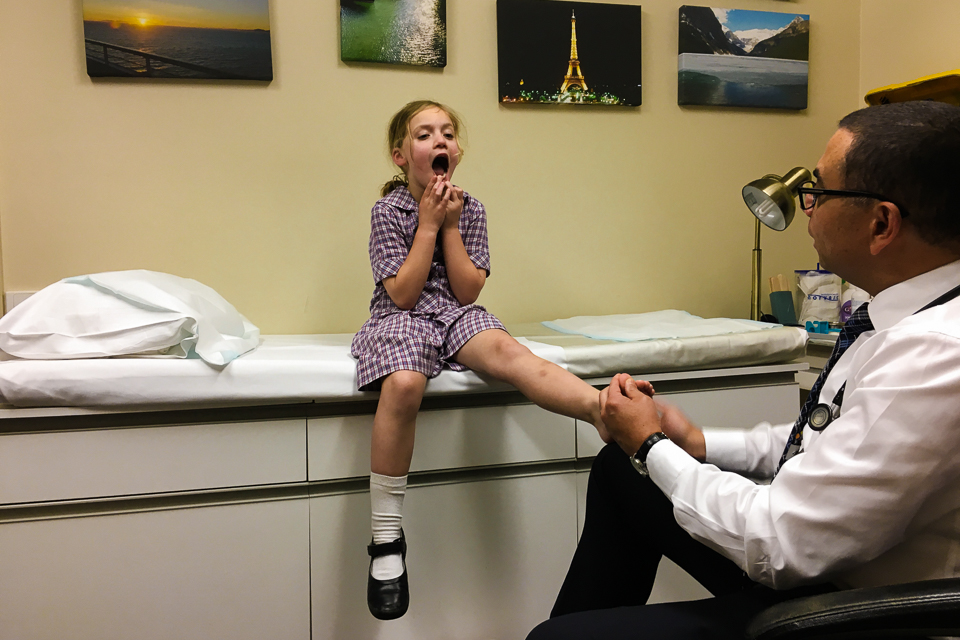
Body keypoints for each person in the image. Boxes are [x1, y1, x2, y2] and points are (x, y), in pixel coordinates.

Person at [527, 100, 960, 640]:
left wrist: (652, 445)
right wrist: (697, 442)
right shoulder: (896, 312)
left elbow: (779, 545)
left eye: (819, 193)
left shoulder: (937, 353)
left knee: (555, 639)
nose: (806, 207)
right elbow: (830, 437)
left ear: (881, 223)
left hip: (855, 607)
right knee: (623, 471)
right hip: (824, 552)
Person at [351, 100, 631, 621]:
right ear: (400, 156)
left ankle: (600, 410)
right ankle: (386, 537)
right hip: (402, 315)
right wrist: (428, 225)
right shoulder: (387, 212)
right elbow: (405, 294)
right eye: (424, 134)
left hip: (455, 312)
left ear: (456, 152)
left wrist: (451, 225)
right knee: (406, 383)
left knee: (507, 349)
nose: (439, 140)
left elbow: (466, 290)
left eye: (448, 133)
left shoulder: (471, 208)